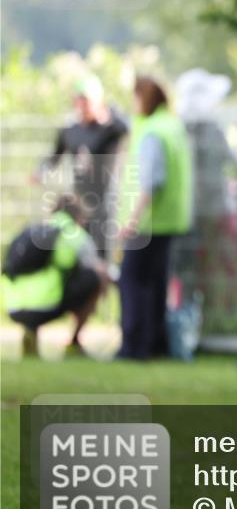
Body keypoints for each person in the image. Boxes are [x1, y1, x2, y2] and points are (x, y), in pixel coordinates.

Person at [115, 76, 194, 360]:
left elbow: (150, 181)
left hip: (148, 221)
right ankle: (155, 343)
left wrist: (132, 220)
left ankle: (133, 346)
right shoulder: (173, 126)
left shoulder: (152, 131)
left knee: (131, 281)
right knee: (155, 282)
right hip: (169, 220)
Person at [31, 74, 129, 257]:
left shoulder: (110, 129)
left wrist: (111, 110)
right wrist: (41, 171)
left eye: (88, 101)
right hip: (79, 202)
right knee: (78, 253)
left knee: (102, 253)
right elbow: (55, 156)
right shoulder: (71, 130)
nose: (84, 106)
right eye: (80, 101)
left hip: (105, 201)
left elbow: (127, 126)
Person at [1, 195, 108, 356]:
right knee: (96, 278)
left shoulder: (32, 231)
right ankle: (74, 342)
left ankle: (30, 332)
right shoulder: (76, 236)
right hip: (48, 305)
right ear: (78, 216)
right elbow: (98, 269)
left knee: (49, 278)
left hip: (13, 307)